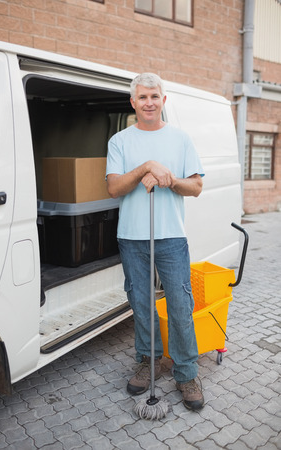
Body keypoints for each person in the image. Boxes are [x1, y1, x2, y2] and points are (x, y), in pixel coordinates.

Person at [106, 73, 205, 411]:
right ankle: (149, 360)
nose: (149, 102)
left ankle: (186, 372)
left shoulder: (180, 139)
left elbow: (195, 187)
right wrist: (145, 167)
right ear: (133, 102)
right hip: (131, 237)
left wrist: (168, 178)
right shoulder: (119, 141)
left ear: (164, 101)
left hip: (171, 236)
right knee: (142, 303)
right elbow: (114, 188)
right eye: (142, 97)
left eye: (154, 96)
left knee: (180, 304)